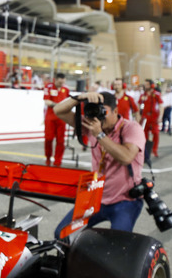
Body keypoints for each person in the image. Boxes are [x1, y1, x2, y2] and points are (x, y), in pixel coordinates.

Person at [52, 91, 145, 238]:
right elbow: (58, 110)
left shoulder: (131, 128)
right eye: (94, 112)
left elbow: (126, 157)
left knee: (118, 243)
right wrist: (79, 97)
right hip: (96, 197)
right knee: (62, 234)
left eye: (103, 112)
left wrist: (99, 135)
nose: (98, 117)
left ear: (115, 111)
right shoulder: (92, 125)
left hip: (125, 200)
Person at [43, 73, 70, 166]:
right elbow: (46, 101)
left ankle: (58, 160)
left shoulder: (66, 89)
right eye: (59, 82)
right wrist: (58, 106)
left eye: (63, 82)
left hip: (62, 118)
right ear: (55, 80)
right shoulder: (49, 87)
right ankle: (48, 157)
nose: (61, 84)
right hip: (50, 117)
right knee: (48, 138)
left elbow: (68, 101)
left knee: (60, 140)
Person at [139, 79, 163, 158]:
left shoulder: (156, 94)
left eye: (147, 85)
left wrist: (160, 116)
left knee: (155, 133)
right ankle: (145, 151)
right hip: (144, 117)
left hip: (154, 117)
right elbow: (139, 106)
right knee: (143, 134)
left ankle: (154, 150)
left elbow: (161, 106)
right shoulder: (143, 95)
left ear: (151, 85)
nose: (145, 86)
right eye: (144, 84)